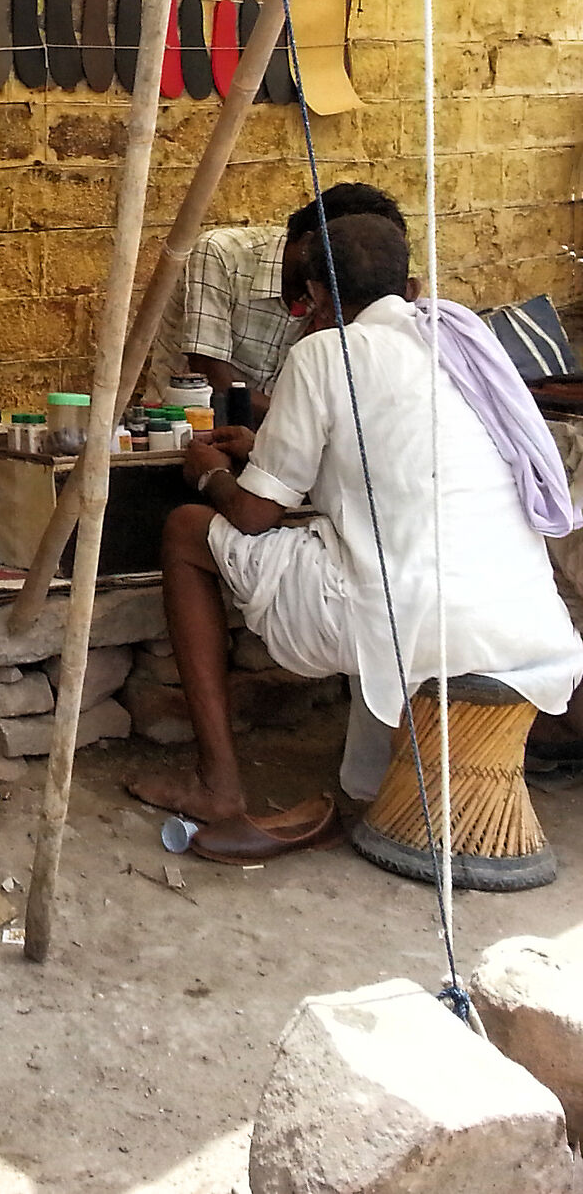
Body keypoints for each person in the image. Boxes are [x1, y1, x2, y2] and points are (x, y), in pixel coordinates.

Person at [132, 213, 583, 828]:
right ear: (411, 286)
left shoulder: (325, 352)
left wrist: (210, 472)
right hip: (526, 615)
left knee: (187, 530)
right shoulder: (459, 343)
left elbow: (256, 515)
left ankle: (220, 784)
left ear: (317, 294)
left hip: (409, 620)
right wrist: (261, 451)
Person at [154, 182, 405, 420]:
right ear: (309, 245)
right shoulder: (222, 253)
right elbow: (212, 379)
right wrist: (307, 422)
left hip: (272, 434)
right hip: (187, 426)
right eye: (354, 259)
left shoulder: (336, 288)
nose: (362, 272)